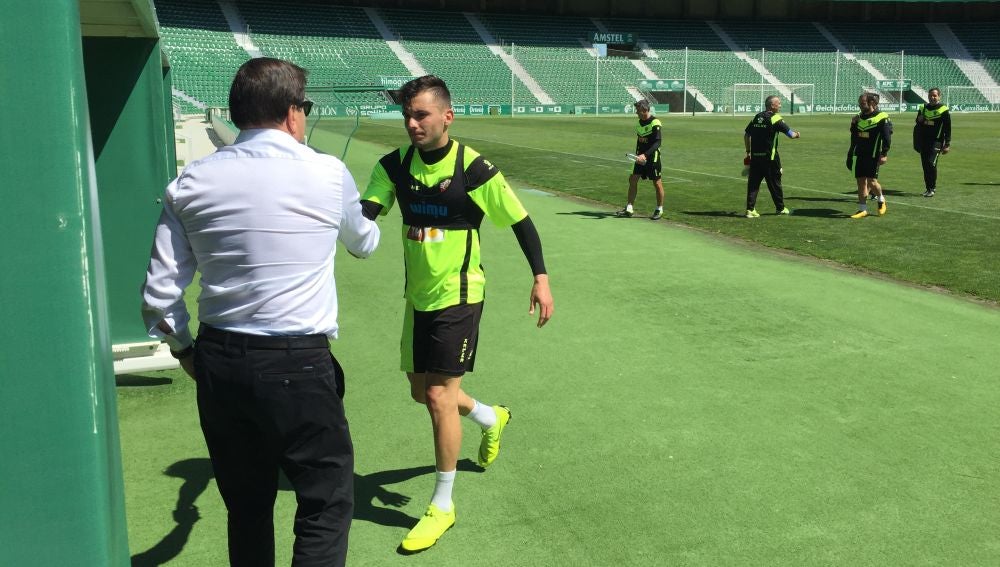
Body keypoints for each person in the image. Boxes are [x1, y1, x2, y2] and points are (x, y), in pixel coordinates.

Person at [141, 57, 380, 567]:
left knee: (246, 506)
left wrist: (187, 352)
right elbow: (364, 244)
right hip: (298, 362)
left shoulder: (190, 182)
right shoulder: (327, 172)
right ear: (293, 113)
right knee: (325, 500)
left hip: (221, 359)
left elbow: (160, 296)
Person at [360, 75, 554, 552]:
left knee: (439, 398)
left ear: (447, 115)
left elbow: (521, 221)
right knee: (421, 392)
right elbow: (363, 216)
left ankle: (441, 505)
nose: (412, 123)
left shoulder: (474, 169)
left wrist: (541, 277)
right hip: (418, 297)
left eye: (421, 114)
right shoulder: (393, 166)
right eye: (408, 114)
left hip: (461, 293)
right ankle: (491, 417)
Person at [743, 95, 800, 218]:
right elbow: (791, 135)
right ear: (772, 105)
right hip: (770, 158)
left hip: (756, 157)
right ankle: (780, 208)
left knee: (753, 184)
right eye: (778, 103)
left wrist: (748, 151)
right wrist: (797, 134)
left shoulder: (757, 117)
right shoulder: (775, 119)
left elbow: (747, 135)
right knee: (775, 183)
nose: (780, 105)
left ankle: (750, 210)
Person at [615, 99, 665, 220]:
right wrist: (638, 155)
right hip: (640, 158)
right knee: (632, 179)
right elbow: (640, 141)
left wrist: (645, 155)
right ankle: (629, 207)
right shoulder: (639, 123)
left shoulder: (655, 122)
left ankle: (659, 209)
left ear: (644, 110)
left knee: (657, 183)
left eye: (638, 110)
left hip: (652, 158)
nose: (636, 113)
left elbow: (658, 143)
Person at [846, 92, 892, 219]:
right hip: (859, 153)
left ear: (872, 103)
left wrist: (884, 153)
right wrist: (853, 124)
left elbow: (887, 137)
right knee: (860, 182)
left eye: (863, 103)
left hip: (873, 155)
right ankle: (862, 209)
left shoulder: (882, 117)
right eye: (860, 103)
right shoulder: (859, 117)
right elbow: (854, 134)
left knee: (872, 182)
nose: (860, 106)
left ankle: (881, 199)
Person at [913, 87, 952, 197]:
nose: (932, 97)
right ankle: (928, 188)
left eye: (935, 95)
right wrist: (920, 119)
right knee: (925, 165)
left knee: (931, 163)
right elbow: (918, 121)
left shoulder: (943, 109)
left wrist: (947, 144)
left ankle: (933, 188)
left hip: (937, 142)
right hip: (924, 141)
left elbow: (947, 128)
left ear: (939, 96)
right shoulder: (923, 107)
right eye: (930, 95)